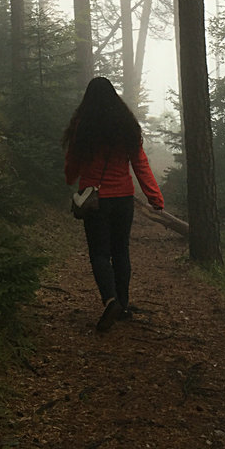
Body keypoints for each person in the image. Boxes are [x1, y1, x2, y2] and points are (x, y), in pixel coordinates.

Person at [63, 77, 165, 333]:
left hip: (94, 200)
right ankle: (124, 304)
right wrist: (154, 196)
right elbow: (140, 163)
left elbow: (73, 161)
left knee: (99, 253)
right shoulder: (126, 126)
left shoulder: (83, 126)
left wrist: (70, 177)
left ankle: (110, 301)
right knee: (121, 252)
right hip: (123, 199)